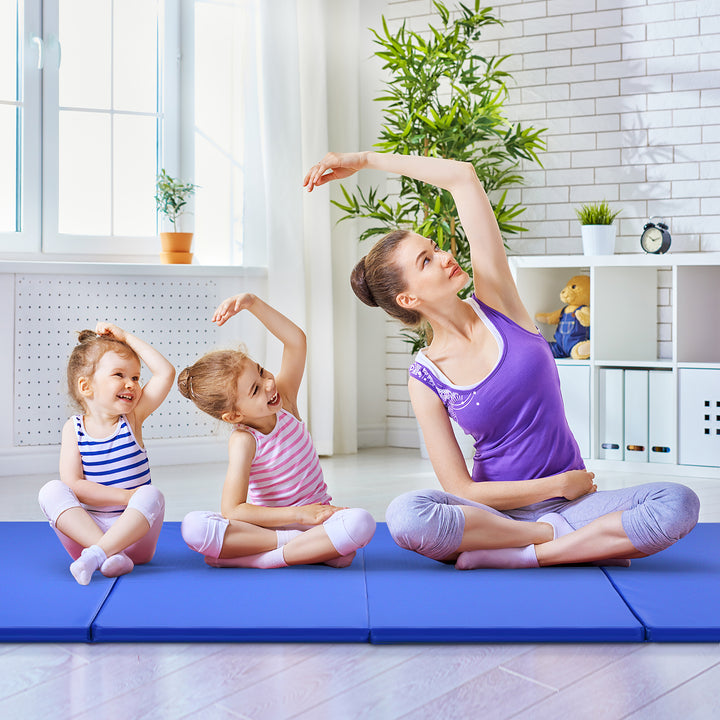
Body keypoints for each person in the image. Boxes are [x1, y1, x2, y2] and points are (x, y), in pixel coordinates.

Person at [304, 151, 699, 569]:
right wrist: (558, 484)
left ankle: (525, 556)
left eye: (434, 248)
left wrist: (364, 160)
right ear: (408, 299)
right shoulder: (425, 376)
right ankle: (558, 543)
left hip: (571, 506)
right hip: (498, 514)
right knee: (407, 515)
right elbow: (461, 489)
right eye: (426, 261)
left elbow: (462, 177)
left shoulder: (498, 302)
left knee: (678, 504)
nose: (443, 256)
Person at [177, 293, 375, 569]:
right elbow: (233, 509)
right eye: (255, 389)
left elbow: (296, 341)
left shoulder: (286, 401)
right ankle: (293, 547)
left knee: (361, 522)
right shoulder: (244, 441)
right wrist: (299, 516)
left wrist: (251, 303)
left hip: (316, 521)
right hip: (271, 529)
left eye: (261, 371)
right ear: (234, 415)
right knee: (194, 527)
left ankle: (262, 559)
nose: (269, 384)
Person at [38, 324, 175, 585]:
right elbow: (74, 485)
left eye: (135, 377)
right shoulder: (73, 429)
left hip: (134, 535)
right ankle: (107, 555)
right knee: (51, 490)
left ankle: (99, 555)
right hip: (86, 534)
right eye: (119, 374)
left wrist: (126, 338)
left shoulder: (132, 418)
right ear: (86, 387)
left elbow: (166, 372)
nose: (131, 384)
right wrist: (125, 496)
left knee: (151, 494)